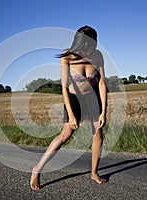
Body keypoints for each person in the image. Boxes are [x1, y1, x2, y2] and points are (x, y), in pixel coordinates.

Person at [30, 25, 107, 190]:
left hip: (92, 98)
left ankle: (94, 173)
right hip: (73, 99)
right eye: (87, 48)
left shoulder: (98, 56)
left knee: (98, 134)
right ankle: (37, 169)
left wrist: (104, 112)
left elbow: (101, 83)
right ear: (80, 45)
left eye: (93, 46)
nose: (90, 51)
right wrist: (71, 115)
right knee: (66, 134)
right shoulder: (67, 56)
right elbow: (64, 87)